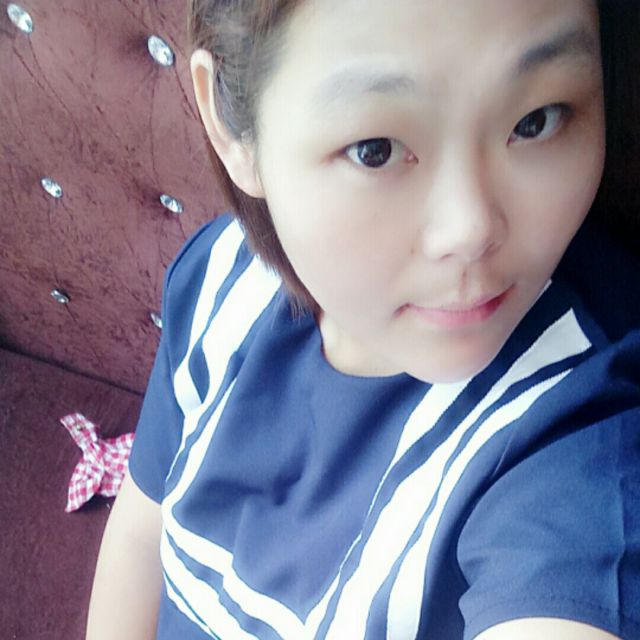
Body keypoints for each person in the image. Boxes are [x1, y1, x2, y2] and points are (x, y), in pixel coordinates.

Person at [86, 0, 640, 638]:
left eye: (536, 121)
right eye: (376, 150)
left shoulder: (581, 431)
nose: (470, 230)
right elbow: (143, 533)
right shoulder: (219, 280)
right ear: (233, 126)